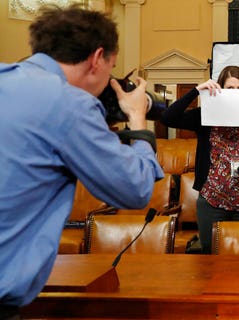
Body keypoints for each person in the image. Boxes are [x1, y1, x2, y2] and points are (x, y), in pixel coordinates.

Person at [0, 5, 163, 313]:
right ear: (97, 58)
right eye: (111, 67)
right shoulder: (69, 104)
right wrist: (138, 120)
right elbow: (135, 189)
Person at [161, 66, 239, 254]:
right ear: (220, 89)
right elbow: (168, 118)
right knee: (210, 258)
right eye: (229, 88)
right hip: (211, 203)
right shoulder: (205, 117)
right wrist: (196, 91)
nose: (235, 92)